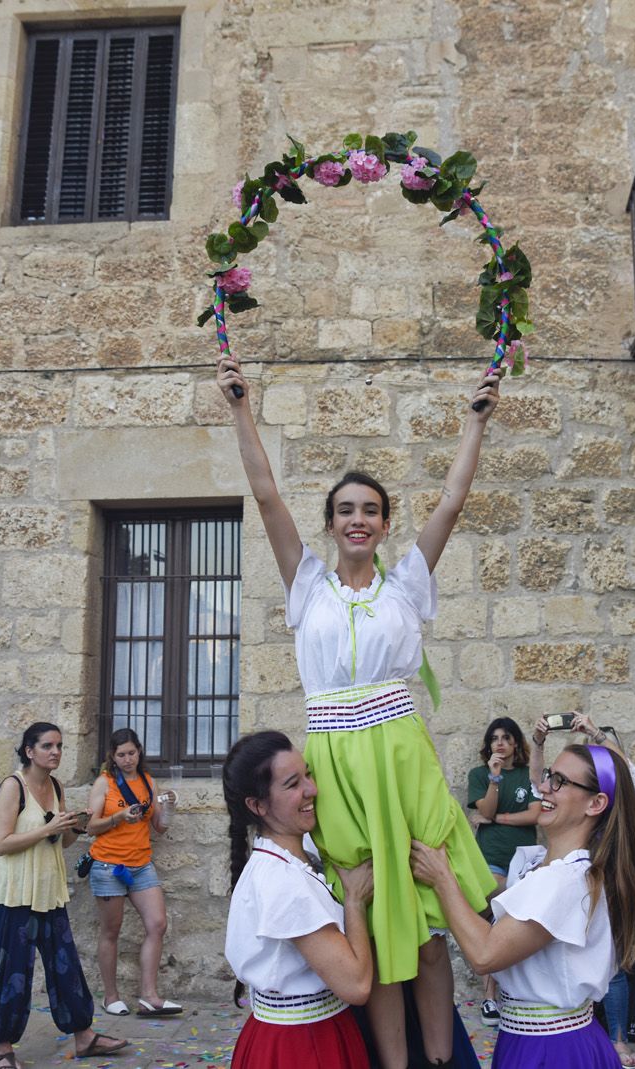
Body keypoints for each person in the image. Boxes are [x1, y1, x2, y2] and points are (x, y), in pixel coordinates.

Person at [219, 354, 501, 1067]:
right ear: (331, 522)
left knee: (429, 917)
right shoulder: (308, 586)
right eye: (345, 510)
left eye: (370, 510)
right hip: (338, 764)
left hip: (401, 756)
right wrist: (239, 408)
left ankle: (440, 1060)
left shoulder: (406, 584)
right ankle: (395, 1062)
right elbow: (267, 495)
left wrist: (476, 422)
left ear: (382, 523)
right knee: (370, 909)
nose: (358, 520)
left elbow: (451, 503)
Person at [411, 743, 635, 1069]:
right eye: (550, 775)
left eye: (561, 781)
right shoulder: (557, 870)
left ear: (596, 803)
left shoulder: (565, 880)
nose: (545, 787)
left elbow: (485, 954)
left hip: (552, 1050)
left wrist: (442, 879)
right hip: (538, 1038)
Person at [223, 731, 375, 1068]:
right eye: (293, 784)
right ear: (258, 805)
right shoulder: (283, 883)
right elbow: (356, 984)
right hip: (301, 1046)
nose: (312, 789)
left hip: (314, 1030)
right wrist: (354, 903)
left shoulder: (296, 855)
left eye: (308, 774)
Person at [0, 722, 126, 1068]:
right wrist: (48, 827)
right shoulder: (12, 787)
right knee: (11, 971)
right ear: (29, 751)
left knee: (66, 967)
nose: (56, 752)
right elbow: (1, 844)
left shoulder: (56, 785)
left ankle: (84, 1036)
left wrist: (74, 826)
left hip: (48, 889)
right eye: (48, 746)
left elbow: (60, 841)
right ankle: (3, 1050)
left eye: (59, 746)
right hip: (11, 894)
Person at [530, 712, 635, 1067]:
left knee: (612, 964)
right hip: (574, 879)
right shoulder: (563, 794)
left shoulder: (613, 790)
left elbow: (631, 778)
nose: (553, 786)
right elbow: (539, 785)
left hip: (603, 880)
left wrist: (596, 732)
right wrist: (536, 743)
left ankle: (618, 1037)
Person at [85, 727, 180, 1017]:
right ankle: (110, 996)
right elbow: (90, 826)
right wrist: (118, 816)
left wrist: (169, 807)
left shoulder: (147, 781)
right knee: (111, 931)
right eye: (121, 755)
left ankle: (149, 995)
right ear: (112, 757)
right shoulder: (105, 783)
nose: (128, 759)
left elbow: (160, 829)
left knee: (157, 924)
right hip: (108, 865)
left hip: (141, 864)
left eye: (132, 753)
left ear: (139, 752)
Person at [466, 717, 538, 1025]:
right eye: (494, 737)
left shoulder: (527, 774)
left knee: (507, 923)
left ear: (516, 744)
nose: (500, 743)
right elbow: (485, 810)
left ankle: (502, 996)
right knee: (497, 918)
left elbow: (534, 814)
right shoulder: (480, 774)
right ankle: (490, 998)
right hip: (492, 859)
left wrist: (496, 820)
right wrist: (495, 779)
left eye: (507, 738)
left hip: (524, 860)